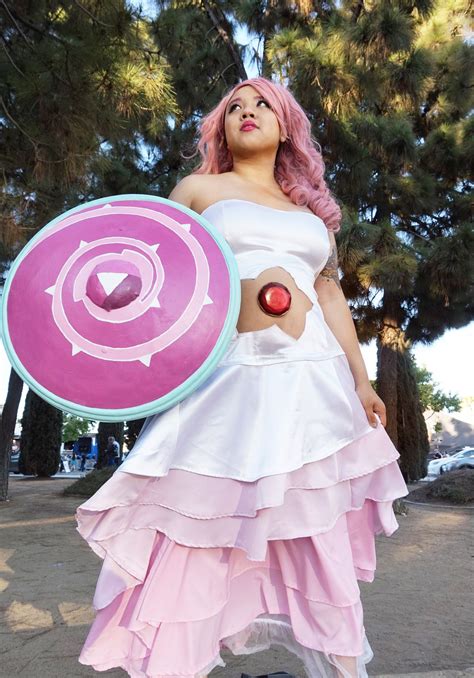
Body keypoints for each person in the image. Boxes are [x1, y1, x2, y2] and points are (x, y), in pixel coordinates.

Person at [75, 77, 409, 678]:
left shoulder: (311, 212)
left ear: (287, 126)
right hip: (226, 380)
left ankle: (338, 668)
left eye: (262, 105)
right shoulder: (198, 189)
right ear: (220, 127)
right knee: (197, 523)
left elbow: (329, 296)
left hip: (314, 387)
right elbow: (156, 271)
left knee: (315, 528)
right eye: (235, 107)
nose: (247, 113)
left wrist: (361, 383)